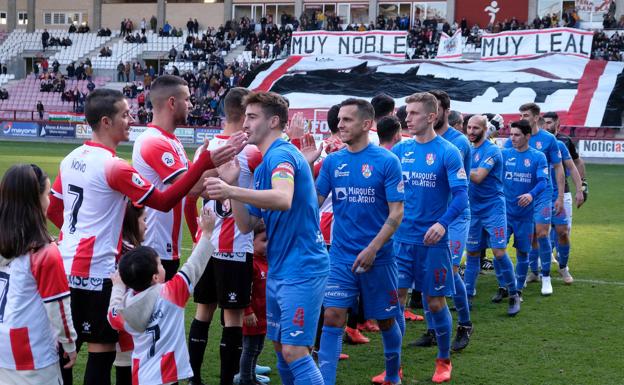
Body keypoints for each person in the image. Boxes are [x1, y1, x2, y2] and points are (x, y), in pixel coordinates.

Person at [46, 89, 241, 385]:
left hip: (65, 266)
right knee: (101, 353)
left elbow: (54, 209)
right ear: (106, 122)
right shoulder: (114, 167)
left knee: (65, 352)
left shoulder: (71, 158)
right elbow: (163, 201)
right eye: (124, 115)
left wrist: (78, 233)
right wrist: (203, 164)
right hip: (98, 270)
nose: (131, 119)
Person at [204, 91, 329, 385]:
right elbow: (247, 225)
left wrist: (232, 191)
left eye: (252, 117)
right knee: (281, 349)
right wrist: (232, 182)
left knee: (296, 351)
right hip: (280, 268)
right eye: (245, 116)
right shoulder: (264, 165)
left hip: (303, 267)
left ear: (274, 121)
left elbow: (283, 199)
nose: (244, 123)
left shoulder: (282, 154)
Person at [314, 98, 404, 385]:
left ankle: (392, 375)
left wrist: (373, 248)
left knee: (386, 320)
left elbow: (397, 212)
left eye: (347, 120)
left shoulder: (388, 161)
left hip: (380, 257)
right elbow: (312, 203)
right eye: (339, 120)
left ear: (367, 124)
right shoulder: (333, 161)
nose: (340, 125)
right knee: (333, 317)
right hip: (341, 256)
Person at [391, 92, 468, 383]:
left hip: (433, 242)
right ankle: (393, 365)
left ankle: (443, 360)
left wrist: (442, 224)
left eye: (413, 113)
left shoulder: (448, 151)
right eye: (406, 113)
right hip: (401, 240)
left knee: (434, 303)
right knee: (395, 301)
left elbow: (461, 197)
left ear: (431, 117)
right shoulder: (400, 151)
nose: (407, 118)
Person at [187, 88, 262, 385]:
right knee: (232, 318)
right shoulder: (253, 151)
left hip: (206, 246)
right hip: (235, 246)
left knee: (203, 311)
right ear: (246, 115)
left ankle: (193, 378)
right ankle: (226, 380)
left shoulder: (204, 150)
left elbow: (193, 191)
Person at [108, 207, 216, 385]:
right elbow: (194, 265)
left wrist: (118, 288)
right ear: (155, 277)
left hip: (141, 376)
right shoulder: (171, 293)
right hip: (166, 376)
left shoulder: (126, 305)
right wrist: (207, 232)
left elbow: (112, 315)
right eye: (160, 264)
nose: (163, 267)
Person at [0, 164, 77, 385]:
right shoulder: (44, 252)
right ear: (35, 200)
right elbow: (59, 306)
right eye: (47, 194)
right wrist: (70, 343)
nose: (49, 201)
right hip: (30, 349)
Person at [132, 75, 209, 281]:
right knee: (157, 311)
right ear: (172, 103)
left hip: (167, 246)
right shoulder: (154, 142)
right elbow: (193, 187)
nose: (191, 105)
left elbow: (199, 183)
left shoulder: (172, 141)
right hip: (154, 248)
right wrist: (217, 159)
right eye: (187, 99)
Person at [427, 90, 473, 352]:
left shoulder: (458, 143)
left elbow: (459, 190)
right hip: (429, 216)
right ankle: (433, 329)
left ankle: (465, 324)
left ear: (445, 111)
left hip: (454, 216)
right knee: (426, 273)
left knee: (451, 271)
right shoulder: (420, 140)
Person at [463, 115, 520, 316]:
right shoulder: (467, 149)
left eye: (476, 128)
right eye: (469, 127)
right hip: (473, 209)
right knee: (472, 254)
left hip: (493, 208)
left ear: (485, 129)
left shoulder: (493, 150)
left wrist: (459, 167)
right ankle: (467, 297)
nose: (471, 131)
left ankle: (514, 293)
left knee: (498, 252)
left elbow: (478, 177)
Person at [504, 103, 564, 296]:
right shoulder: (512, 140)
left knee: (541, 232)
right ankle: (532, 272)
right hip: (519, 195)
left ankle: (546, 277)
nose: (522, 117)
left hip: (542, 193)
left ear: (537, 117)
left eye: (526, 114)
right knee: (526, 235)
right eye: (520, 114)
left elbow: (558, 167)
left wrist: (560, 196)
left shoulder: (548, 140)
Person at [502, 120, 549, 293]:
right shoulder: (504, 154)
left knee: (523, 253)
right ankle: (504, 285)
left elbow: (543, 182)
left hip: (525, 216)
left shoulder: (538, 157)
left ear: (527, 136)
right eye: (511, 134)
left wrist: (531, 195)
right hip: (505, 214)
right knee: (499, 250)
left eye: (517, 135)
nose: (512, 138)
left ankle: (518, 289)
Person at [542, 112, 586, 283]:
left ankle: (563, 266)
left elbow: (576, 163)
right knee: (540, 232)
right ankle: (538, 267)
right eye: (544, 123)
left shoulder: (563, 142)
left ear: (557, 124)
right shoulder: (533, 141)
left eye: (549, 123)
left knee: (563, 231)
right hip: (541, 195)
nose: (546, 126)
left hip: (563, 192)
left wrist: (581, 187)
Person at [114, 202, 146, 385]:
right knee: (127, 371)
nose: (147, 225)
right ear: (133, 222)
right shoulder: (134, 256)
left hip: (116, 319)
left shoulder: (116, 246)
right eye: (144, 220)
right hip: (128, 325)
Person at [237, 221, 270, 385]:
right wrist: (247, 310)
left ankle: (252, 377)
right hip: (252, 315)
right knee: (249, 349)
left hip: (264, 315)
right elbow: (244, 290)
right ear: (251, 241)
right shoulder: (251, 264)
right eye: (264, 240)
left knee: (257, 348)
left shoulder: (266, 261)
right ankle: (245, 379)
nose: (268, 244)